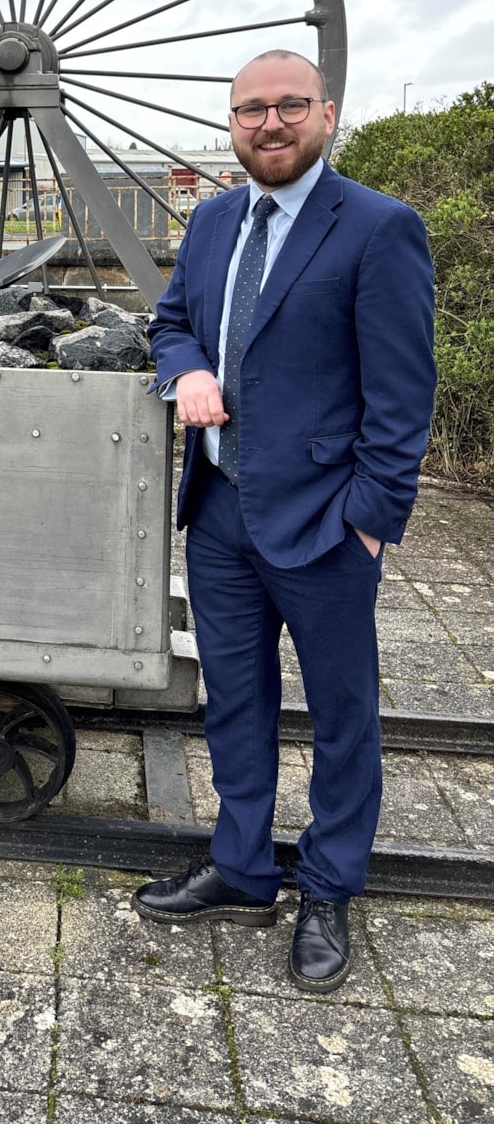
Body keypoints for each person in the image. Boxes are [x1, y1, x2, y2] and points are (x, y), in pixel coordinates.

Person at [132, 49, 435, 993]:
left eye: (288, 106)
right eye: (251, 110)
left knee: (343, 717)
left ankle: (330, 886)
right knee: (234, 699)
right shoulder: (216, 218)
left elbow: (401, 395)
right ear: (232, 123)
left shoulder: (380, 229)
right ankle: (244, 865)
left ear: (325, 112)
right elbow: (172, 320)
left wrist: (373, 521)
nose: (270, 123)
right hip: (219, 510)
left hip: (325, 523)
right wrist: (182, 370)